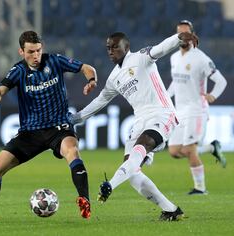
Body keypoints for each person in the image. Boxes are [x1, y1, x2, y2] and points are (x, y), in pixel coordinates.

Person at [0, 30, 97, 220]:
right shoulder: (19, 71)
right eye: (30, 52)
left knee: (72, 151)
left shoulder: (55, 61)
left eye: (38, 50)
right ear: (21, 52)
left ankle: (84, 200)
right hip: (30, 132)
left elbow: (87, 68)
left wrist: (91, 80)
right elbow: (1, 89)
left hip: (58, 127)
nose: (35, 56)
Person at [70, 31, 198, 221]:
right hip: (140, 121)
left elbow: (161, 48)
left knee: (141, 148)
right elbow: (101, 100)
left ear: (126, 47)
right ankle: (171, 210)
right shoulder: (114, 77)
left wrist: (178, 38)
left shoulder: (141, 57)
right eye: (108, 48)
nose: (111, 51)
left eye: (115, 46)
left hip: (162, 114)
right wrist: (77, 118)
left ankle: (110, 185)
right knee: (132, 172)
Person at [167, 20, 227, 195]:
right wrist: (165, 96)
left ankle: (200, 188)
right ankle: (211, 148)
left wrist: (213, 95)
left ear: (192, 35)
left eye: (186, 33)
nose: (182, 37)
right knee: (174, 151)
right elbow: (175, 83)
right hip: (180, 111)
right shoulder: (174, 57)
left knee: (190, 150)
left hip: (196, 110)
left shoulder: (201, 58)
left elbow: (221, 81)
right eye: (180, 34)